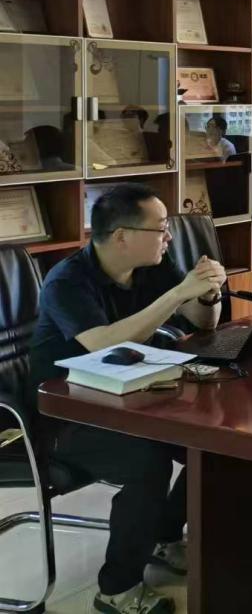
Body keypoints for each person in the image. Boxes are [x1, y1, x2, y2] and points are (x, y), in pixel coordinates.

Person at [27, 183, 227, 614]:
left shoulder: (153, 263)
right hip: (63, 415)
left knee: (213, 440)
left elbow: (203, 321)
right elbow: (103, 345)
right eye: (161, 228)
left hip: (131, 398)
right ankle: (116, 588)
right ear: (122, 235)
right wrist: (177, 293)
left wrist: (208, 292)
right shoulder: (67, 280)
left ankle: (164, 535)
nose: (168, 237)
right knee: (146, 462)